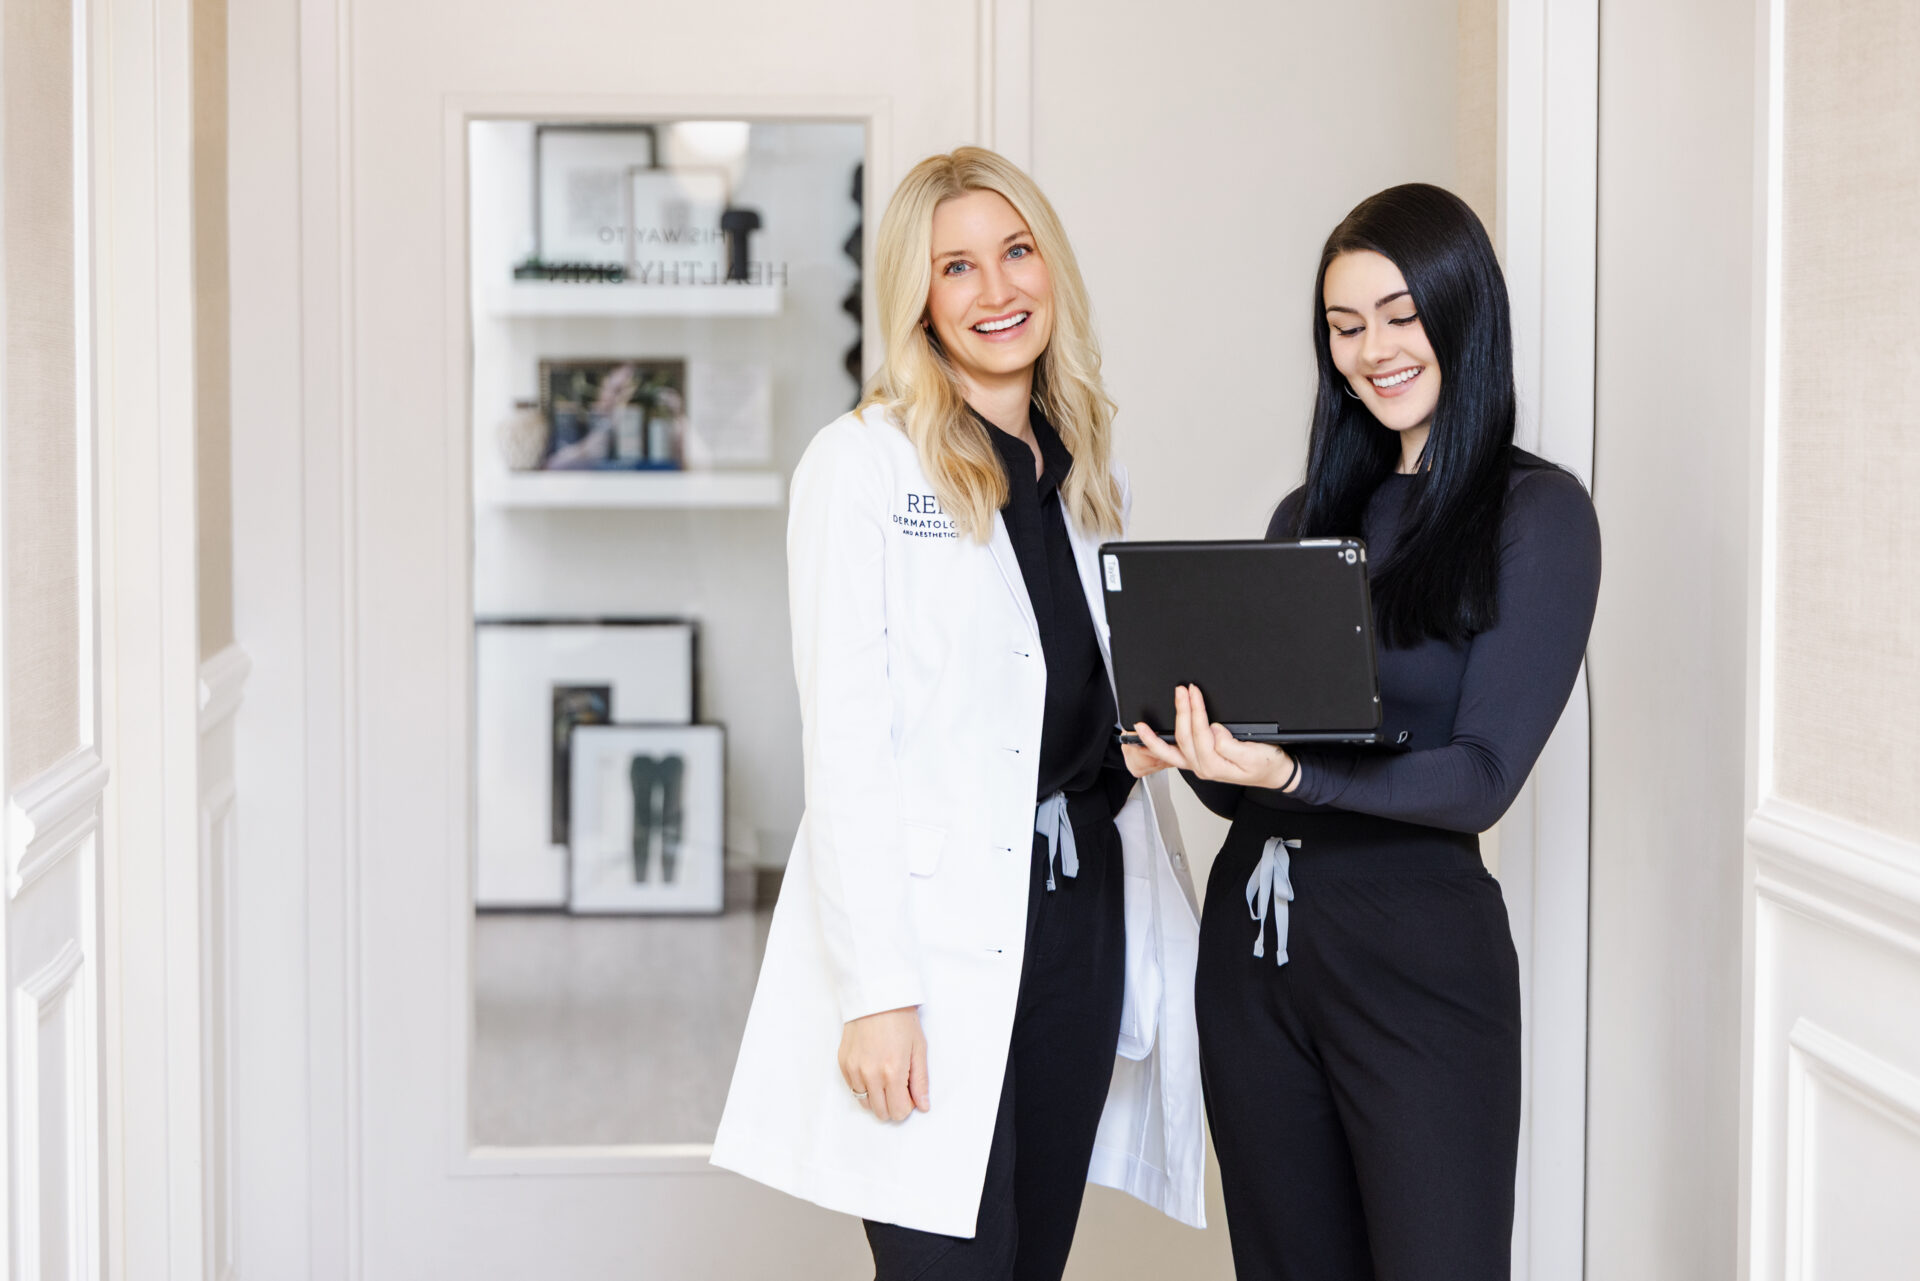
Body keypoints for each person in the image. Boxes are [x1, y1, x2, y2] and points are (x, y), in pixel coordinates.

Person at [710, 146, 1206, 1281]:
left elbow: (1068, 708)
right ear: (918, 301)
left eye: (1017, 253)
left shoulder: (1088, 477)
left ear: (1052, 269)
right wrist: (877, 995)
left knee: (1032, 1262)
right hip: (934, 949)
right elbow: (846, 747)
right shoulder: (863, 468)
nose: (997, 291)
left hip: (1079, 925)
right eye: (958, 268)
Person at [1127, 183, 1601, 1281]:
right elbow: (1263, 782)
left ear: (1461, 310)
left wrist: (1292, 773)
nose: (1373, 350)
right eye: (1345, 328)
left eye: (1398, 314)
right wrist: (1199, 754)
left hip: (1420, 963)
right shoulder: (1307, 519)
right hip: (1255, 957)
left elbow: (1480, 780)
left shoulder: (1539, 517)